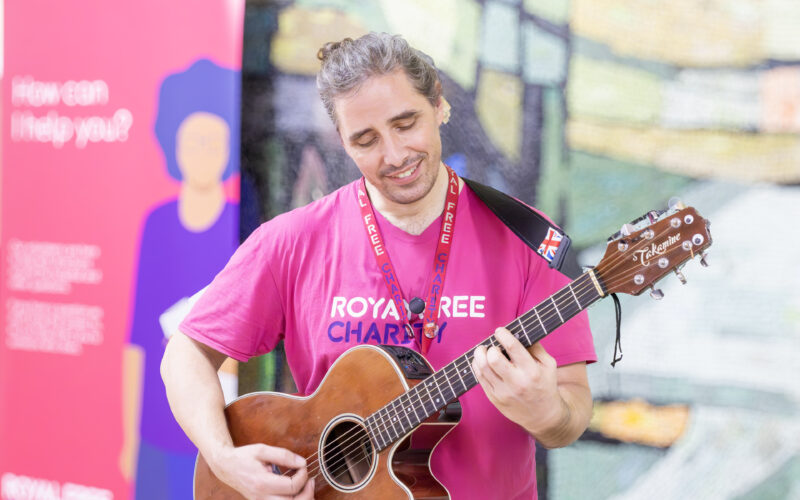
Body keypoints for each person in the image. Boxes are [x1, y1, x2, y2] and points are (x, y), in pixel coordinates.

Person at [161, 33, 596, 499]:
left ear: (439, 105)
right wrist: (225, 460)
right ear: (342, 141)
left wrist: (548, 413)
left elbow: (570, 412)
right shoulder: (291, 241)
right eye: (365, 140)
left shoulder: (530, 239)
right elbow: (185, 354)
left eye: (406, 124)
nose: (394, 155)